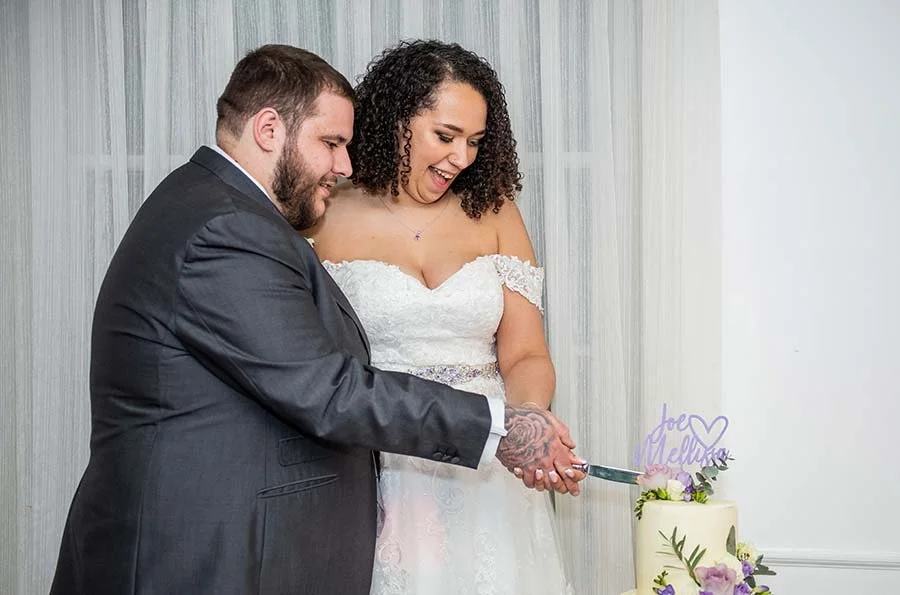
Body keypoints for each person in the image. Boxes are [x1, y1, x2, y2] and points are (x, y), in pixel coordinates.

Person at [49, 44, 584, 595]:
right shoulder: (232, 228)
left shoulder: (216, 204)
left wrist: (524, 416)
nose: (344, 164)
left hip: (344, 493)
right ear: (268, 129)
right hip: (205, 536)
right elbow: (324, 387)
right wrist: (496, 428)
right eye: (330, 143)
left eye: (473, 142)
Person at [308, 40, 574, 594]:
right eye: (446, 136)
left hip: (488, 465)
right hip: (381, 465)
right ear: (395, 120)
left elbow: (525, 353)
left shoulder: (494, 212)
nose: (462, 159)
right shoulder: (326, 213)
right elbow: (314, 366)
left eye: (475, 142)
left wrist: (526, 422)